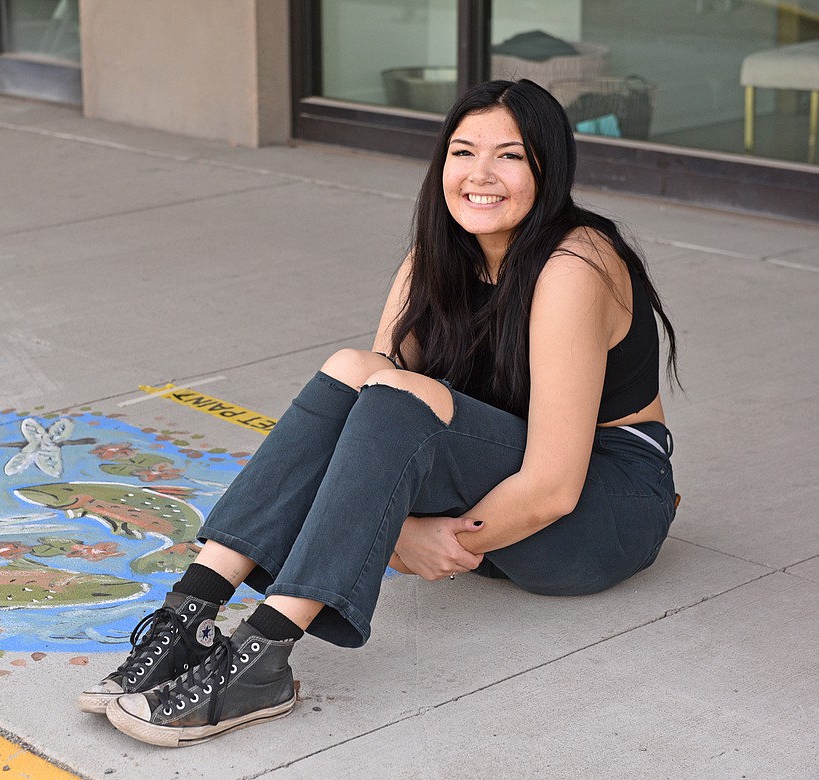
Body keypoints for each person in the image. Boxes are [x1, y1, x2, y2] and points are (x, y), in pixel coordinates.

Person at [77, 78, 679, 748]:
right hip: (505, 491)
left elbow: (553, 487)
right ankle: (186, 617)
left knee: (395, 395)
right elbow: (368, 415)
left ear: (549, 167)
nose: (480, 175)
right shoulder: (435, 256)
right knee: (355, 371)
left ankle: (263, 657)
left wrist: (416, 538)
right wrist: (396, 532)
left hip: (600, 508)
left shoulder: (575, 265)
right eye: (462, 152)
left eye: (509, 156)